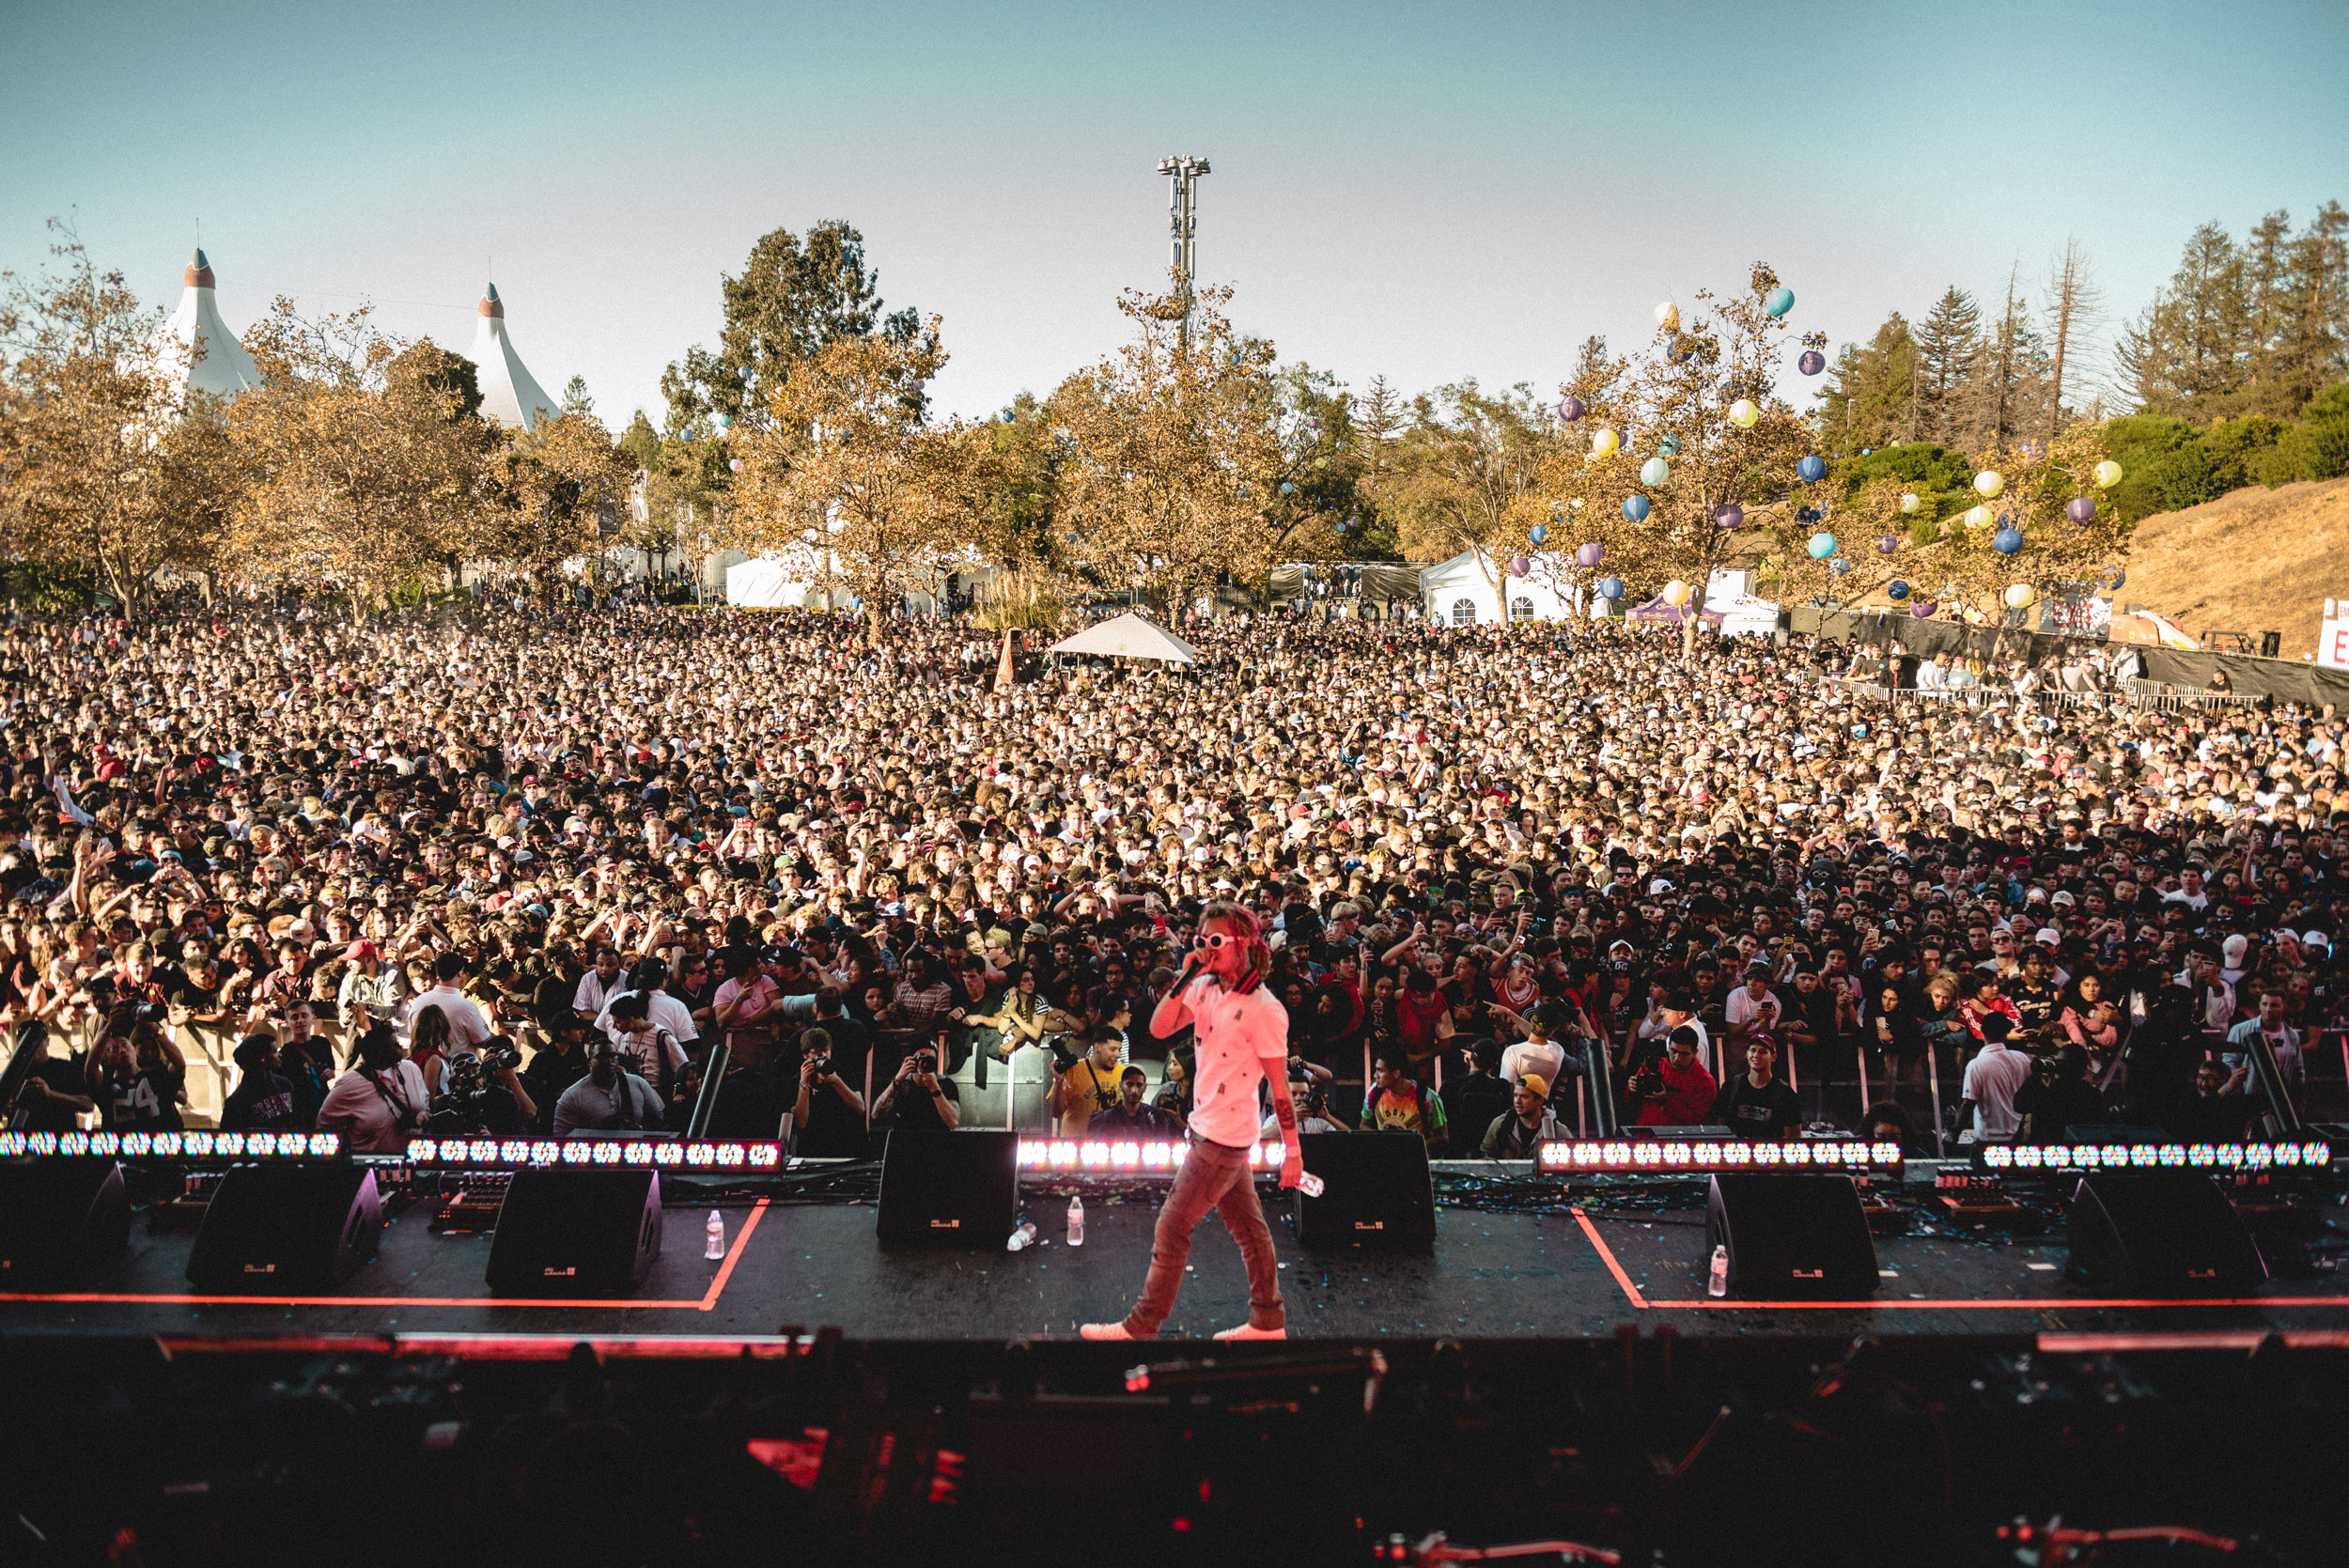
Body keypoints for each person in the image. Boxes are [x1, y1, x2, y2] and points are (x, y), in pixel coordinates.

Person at [1082, 901, 1299, 1343]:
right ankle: (1268, 1322)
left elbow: (1280, 1088)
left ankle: (1142, 1327)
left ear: (1244, 945)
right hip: (1207, 1127)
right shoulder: (1204, 988)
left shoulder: (1265, 1009)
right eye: (1201, 939)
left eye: (1215, 941)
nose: (1205, 947)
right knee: (1249, 1229)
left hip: (1225, 1139)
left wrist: (1293, 1151)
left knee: (1173, 1225)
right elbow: (1160, 1028)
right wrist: (1185, 975)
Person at [316, 1024, 426, 1153]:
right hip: (368, 1168)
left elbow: (425, 1106)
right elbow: (324, 1126)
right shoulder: (348, 1085)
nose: (400, 1047)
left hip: (411, 1164)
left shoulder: (411, 1069)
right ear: (381, 1050)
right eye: (395, 1045)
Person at [552, 1040, 664, 1138]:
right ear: (589, 1061)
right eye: (602, 1056)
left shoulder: (637, 1084)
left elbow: (658, 1118)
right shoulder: (572, 1096)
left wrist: (639, 1130)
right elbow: (561, 1137)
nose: (609, 1060)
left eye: (613, 1056)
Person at [791, 1025, 869, 1157]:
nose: (822, 1056)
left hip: (845, 1142)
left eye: (825, 1051)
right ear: (806, 1055)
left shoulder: (844, 1073)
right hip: (813, 1146)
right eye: (816, 1052)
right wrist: (804, 1083)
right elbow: (800, 1122)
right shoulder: (797, 1080)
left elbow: (860, 1108)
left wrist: (836, 1081)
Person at [1957, 1012, 2031, 1141]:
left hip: (1988, 1138)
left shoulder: (1977, 1065)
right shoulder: (2022, 1058)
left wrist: (1954, 1134)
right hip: (2016, 1134)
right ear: (2006, 1033)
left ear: (1983, 1030)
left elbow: (1968, 1104)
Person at [1710, 1033, 1800, 1139]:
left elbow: (1792, 1138)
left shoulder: (1786, 1094)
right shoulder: (1730, 1087)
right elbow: (1719, 1127)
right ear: (1747, 1054)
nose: (1756, 1055)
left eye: (1762, 1052)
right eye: (1753, 1050)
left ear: (1773, 1057)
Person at [1632, 1024, 1718, 1126]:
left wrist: (1667, 1100)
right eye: (1674, 1051)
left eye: (1684, 1054)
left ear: (1695, 1052)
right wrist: (1632, 1086)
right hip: (1643, 1134)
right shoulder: (1653, 1065)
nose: (1677, 1058)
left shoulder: (1705, 1081)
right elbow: (1629, 1102)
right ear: (1668, 1048)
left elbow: (1699, 1122)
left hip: (1680, 1139)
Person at [1362, 1050, 1451, 1148]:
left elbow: (1443, 1137)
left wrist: (1410, 1147)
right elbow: (1363, 1126)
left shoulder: (1427, 1097)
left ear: (1396, 1073)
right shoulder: (1374, 1093)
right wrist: (1381, 1137)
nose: (1375, 1075)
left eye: (1381, 1071)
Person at [1440, 1036, 1515, 1150]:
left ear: (1470, 1058)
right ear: (1496, 1063)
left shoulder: (1450, 1085)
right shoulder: (1502, 1087)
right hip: (1493, 1149)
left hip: (1458, 1149)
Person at [1052, 1032, 1128, 1137]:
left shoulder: (1123, 1072)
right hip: (1076, 1146)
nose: (1118, 1054)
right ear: (1097, 1047)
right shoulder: (1075, 1070)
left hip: (1112, 1145)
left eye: (1119, 1050)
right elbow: (1055, 1112)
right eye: (1112, 1049)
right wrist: (1058, 1081)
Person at [222, 1032, 298, 1131]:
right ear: (262, 1058)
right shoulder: (237, 1102)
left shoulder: (285, 1084)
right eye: (274, 1051)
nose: (280, 1054)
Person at [872, 1047, 959, 1131]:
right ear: (912, 1061)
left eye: (930, 1059)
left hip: (937, 1141)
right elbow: (876, 1115)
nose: (926, 1063)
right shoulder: (902, 1085)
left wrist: (934, 1087)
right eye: (921, 1058)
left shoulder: (946, 1084)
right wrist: (897, 1080)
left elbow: (953, 1123)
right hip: (905, 1141)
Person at [1480, 1072, 1559, 1158]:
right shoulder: (1501, 1125)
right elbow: (1485, 1159)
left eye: (1524, 1097)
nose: (1517, 1101)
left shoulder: (1557, 1131)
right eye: (1515, 1095)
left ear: (1540, 1100)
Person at [1092, 1064, 1180, 1137]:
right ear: (1121, 1086)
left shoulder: (1156, 1118)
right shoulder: (1104, 1119)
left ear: (1145, 1087)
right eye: (1129, 1084)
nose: (1134, 1090)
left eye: (1139, 1085)